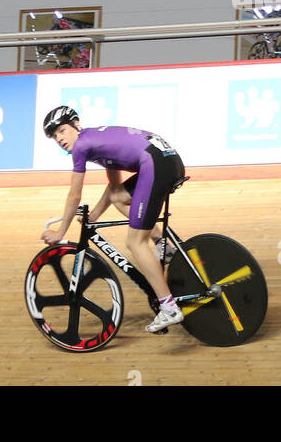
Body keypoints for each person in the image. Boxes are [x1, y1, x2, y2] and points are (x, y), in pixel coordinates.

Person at [39, 106, 186, 333]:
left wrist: (60, 232)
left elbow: (74, 194)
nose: (59, 138)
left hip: (156, 164)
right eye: (54, 136)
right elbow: (114, 188)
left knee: (135, 242)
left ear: (76, 124)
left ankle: (169, 308)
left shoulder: (81, 146)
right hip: (167, 161)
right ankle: (161, 244)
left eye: (61, 130)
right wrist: (94, 215)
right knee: (119, 197)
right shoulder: (94, 140)